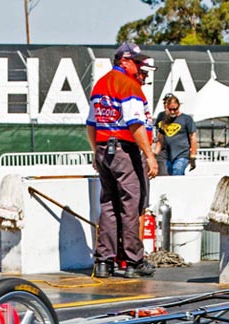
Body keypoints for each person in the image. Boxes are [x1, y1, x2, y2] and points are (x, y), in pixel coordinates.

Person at [86, 42, 158, 279]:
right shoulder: (129, 86)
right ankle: (133, 260)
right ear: (124, 61)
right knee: (131, 205)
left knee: (108, 205)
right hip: (124, 150)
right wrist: (149, 155)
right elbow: (135, 124)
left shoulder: (100, 84)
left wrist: (96, 151)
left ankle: (104, 261)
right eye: (138, 63)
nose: (141, 68)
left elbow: (91, 124)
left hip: (105, 148)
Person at [153, 94, 198, 176]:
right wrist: (154, 154)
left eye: (175, 109)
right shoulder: (163, 119)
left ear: (179, 106)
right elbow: (160, 140)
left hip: (182, 154)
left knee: (176, 172)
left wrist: (193, 156)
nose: (172, 112)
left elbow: (193, 138)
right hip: (168, 156)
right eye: (170, 109)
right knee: (171, 177)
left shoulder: (186, 119)